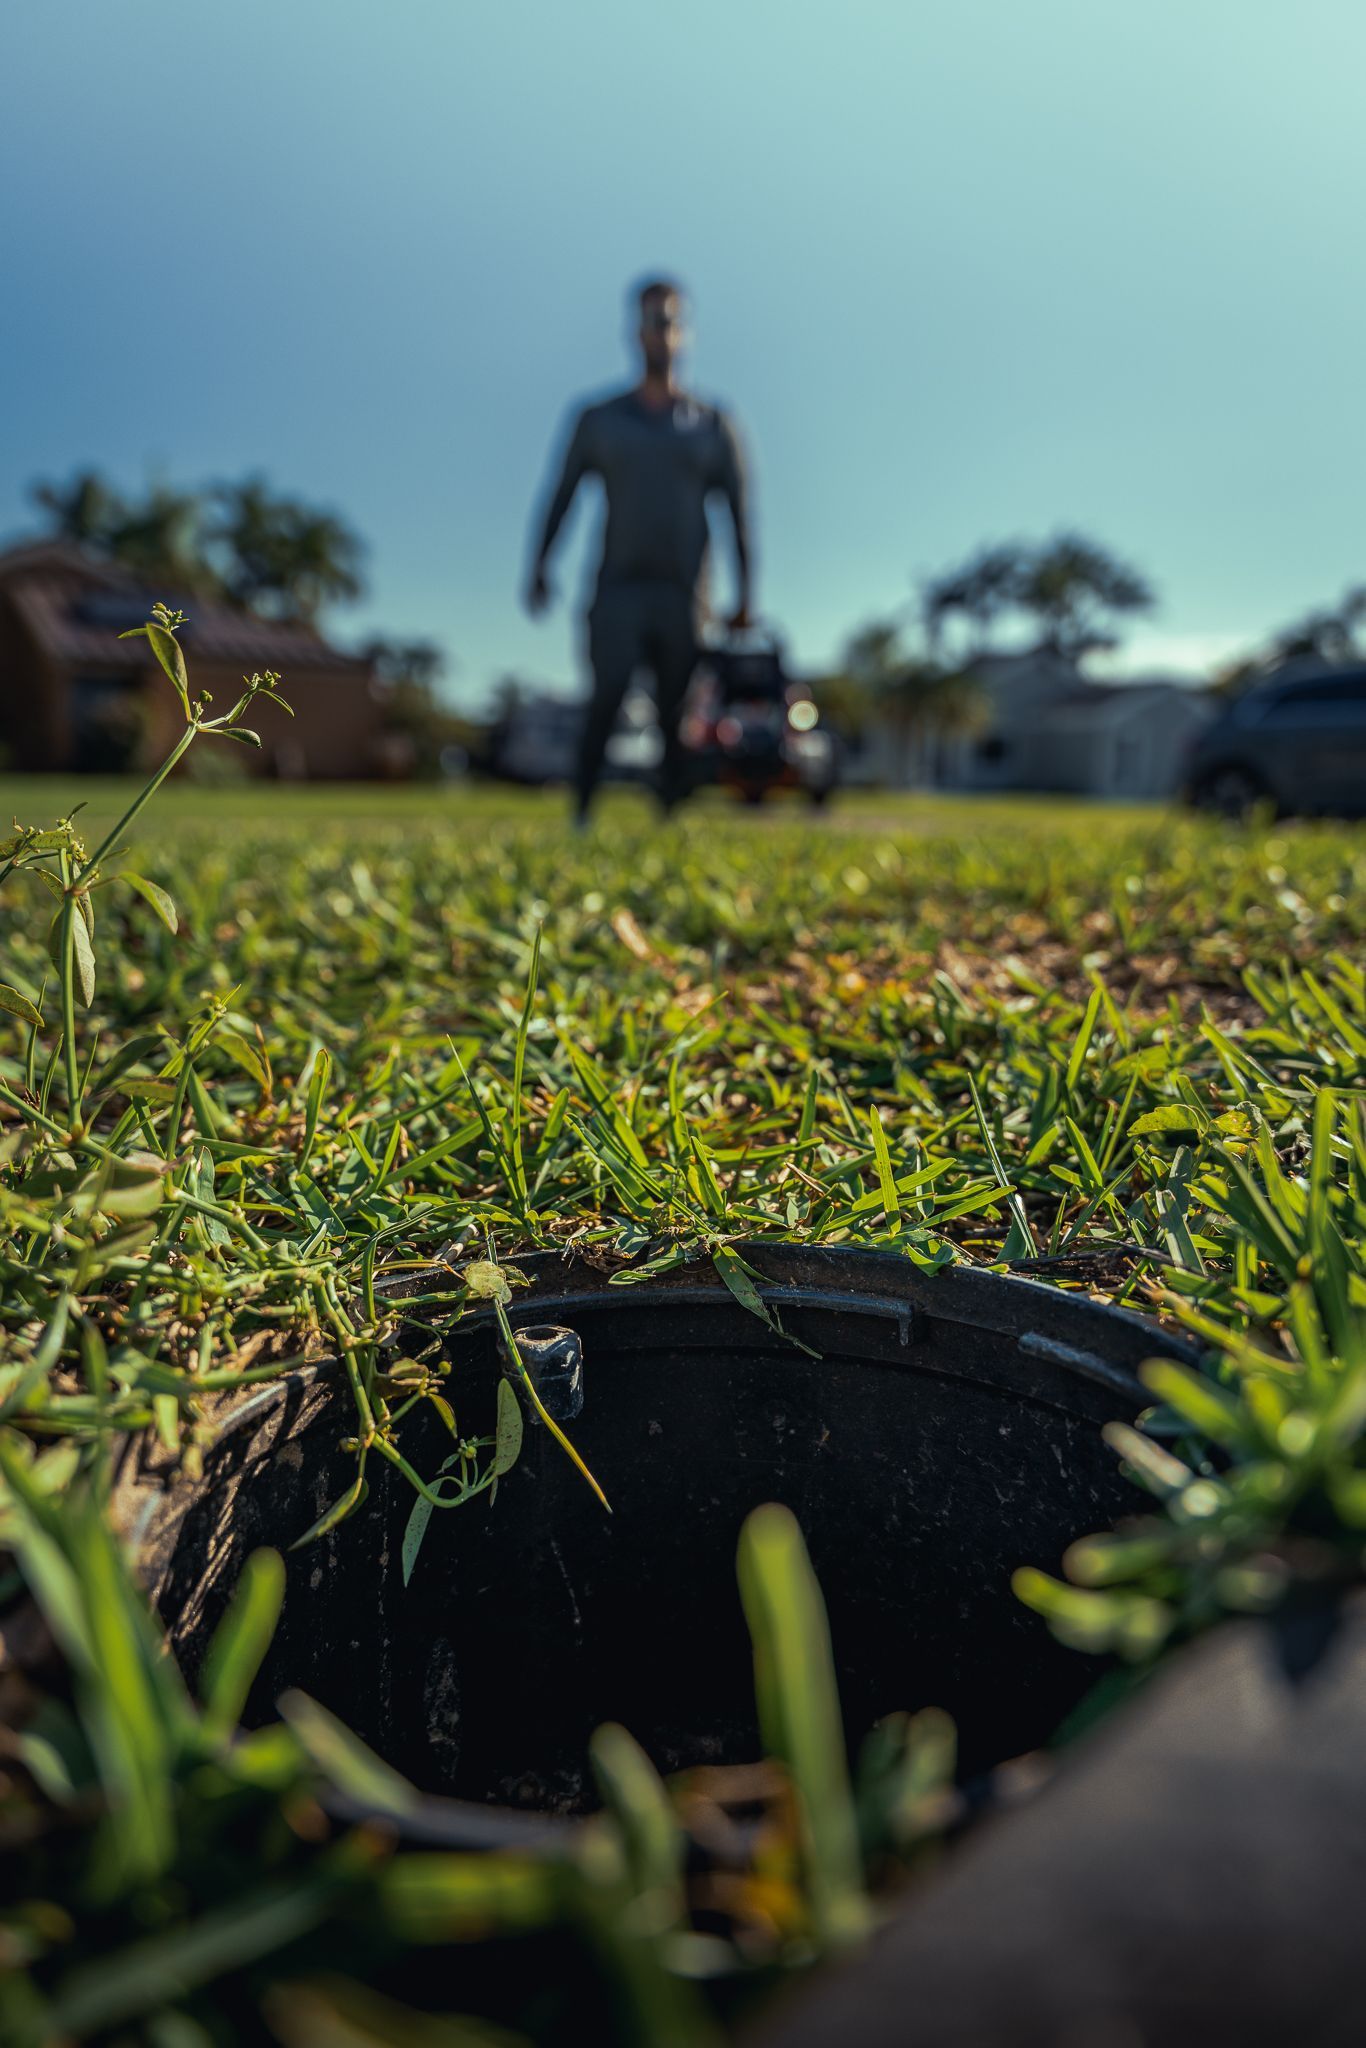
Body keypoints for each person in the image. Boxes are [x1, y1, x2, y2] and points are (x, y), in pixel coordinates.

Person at [524, 277, 754, 824]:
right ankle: (581, 814)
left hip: (684, 593)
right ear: (635, 331)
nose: (661, 332)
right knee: (605, 698)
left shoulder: (712, 424)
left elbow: (741, 514)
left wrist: (747, 592)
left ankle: (668, 818)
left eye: (671, 322)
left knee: (676, 712)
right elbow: (561, 494)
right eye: (652, 321)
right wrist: (539, 565)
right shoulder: (599, 419)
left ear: (686, 334)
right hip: (618, 586)